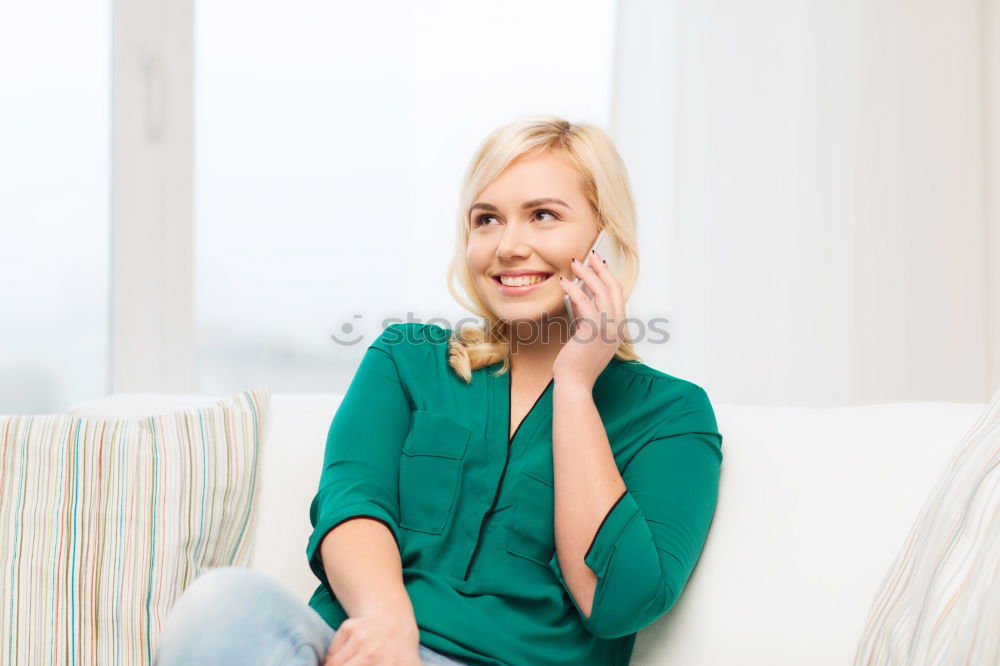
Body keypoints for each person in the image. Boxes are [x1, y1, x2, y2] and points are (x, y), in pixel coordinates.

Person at [154, 114, 723, 666]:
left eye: (543, 215)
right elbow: (353, 501)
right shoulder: (407, 359)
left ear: (608, 240)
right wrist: (387, 623)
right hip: (364, 647)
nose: (507, 246)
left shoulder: (672, 415)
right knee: (223, 602)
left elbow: (616, 603)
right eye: (486, 219)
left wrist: (575, 386)